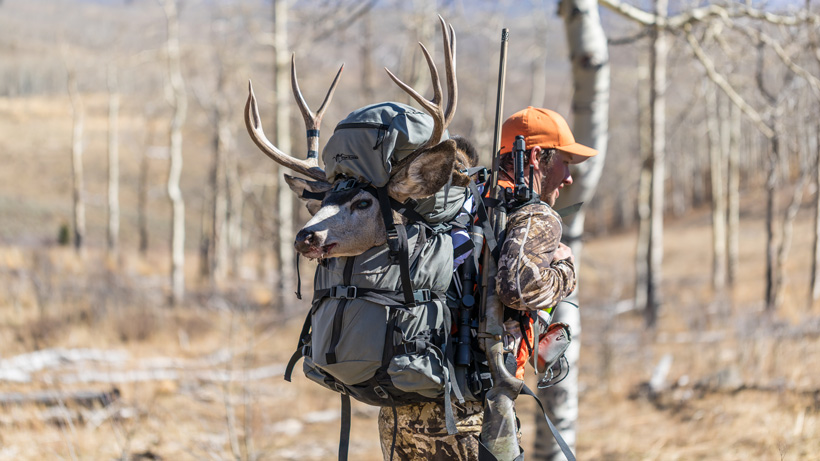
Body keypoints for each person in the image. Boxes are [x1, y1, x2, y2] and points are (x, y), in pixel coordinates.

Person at [377, 107, 597, 461]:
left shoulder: (451, 203)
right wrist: (566, 270)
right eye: (565, 161)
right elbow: (519, 290)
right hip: (470, 416)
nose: (569, 177)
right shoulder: (533, 213)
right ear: (537, 156)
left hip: (401, 408)